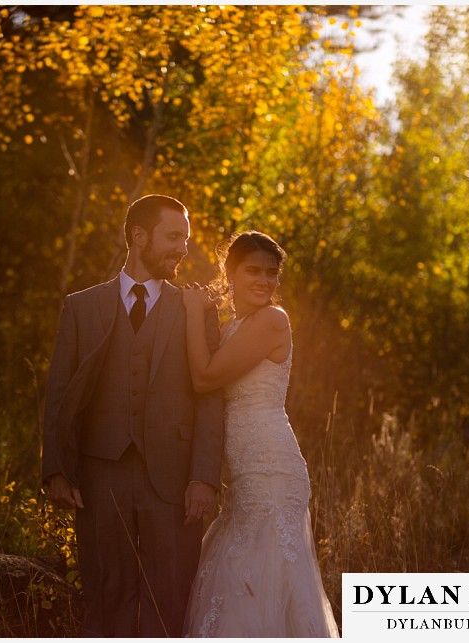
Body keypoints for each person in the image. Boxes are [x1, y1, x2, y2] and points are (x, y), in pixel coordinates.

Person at [42, 194, 225, 637]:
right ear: (139, 236)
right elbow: (58, 393)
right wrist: (56, 471)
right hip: (100, 473)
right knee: (106, 595)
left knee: (170, 598)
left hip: (175, 479)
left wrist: (204, 476)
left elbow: (211, 399)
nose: (183, 248)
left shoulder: (196, 310)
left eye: (186, 238)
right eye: (174, 237)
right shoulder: (82, 307)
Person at [181, 231, 339, 638]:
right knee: (238, 576)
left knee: (260, 578)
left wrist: (191, 314)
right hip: (245, 475)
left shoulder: (273, 320)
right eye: (253, 270)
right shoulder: (235, 325)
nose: (265, 281)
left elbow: (204, 378)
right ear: (230, 272)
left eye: (272, 274)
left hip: (271, 468)